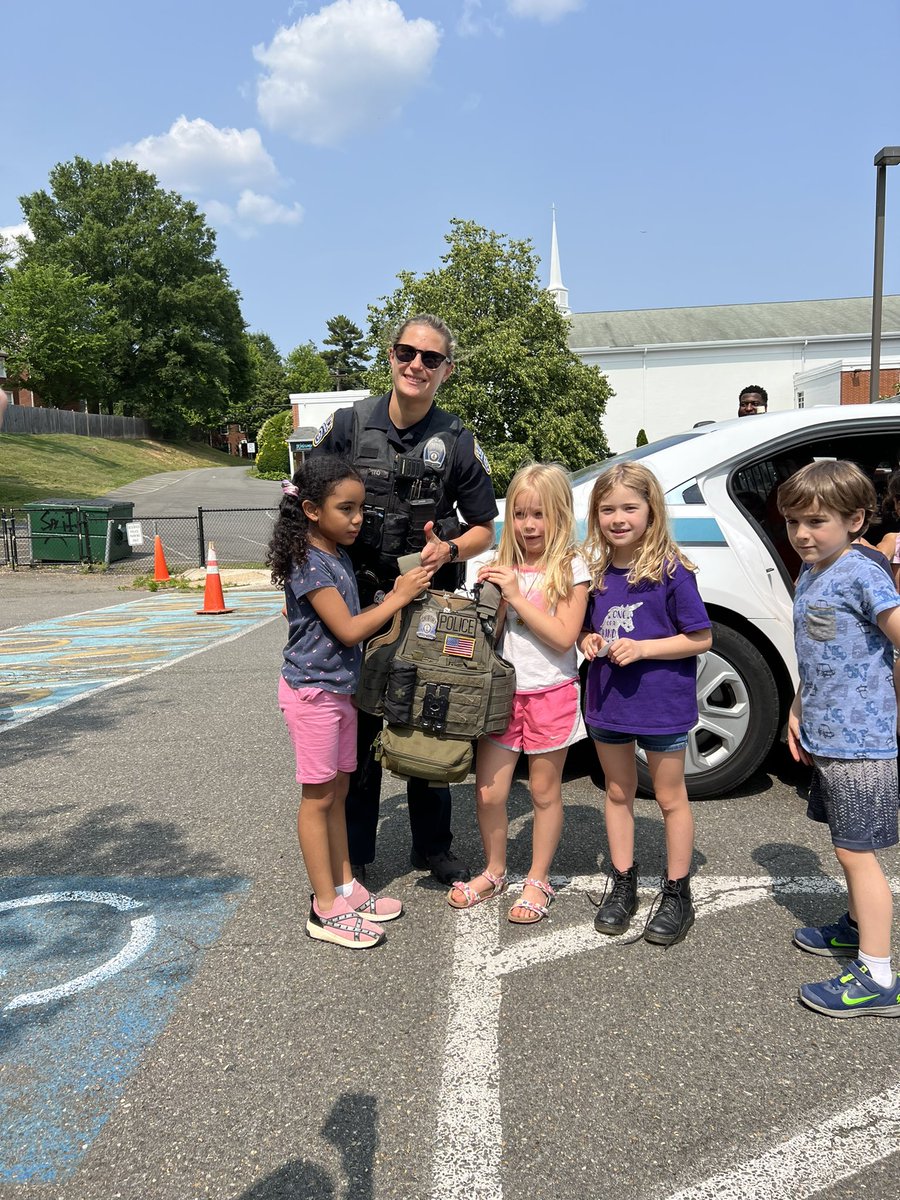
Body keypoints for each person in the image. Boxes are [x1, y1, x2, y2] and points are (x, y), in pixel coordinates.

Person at [310, 314, 497, 885]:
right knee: (361, 727)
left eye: (431, 358)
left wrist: (451, 549)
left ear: (447, 370)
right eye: (406, 352)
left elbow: (485, 527)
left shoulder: (458, 439)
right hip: (361, 598)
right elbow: (305, 500)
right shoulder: (348, 423)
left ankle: (432, 847)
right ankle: (358, 853)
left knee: (430, 717)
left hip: (427, 601)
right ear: (391, 357)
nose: (417, 364)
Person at [268, 455, 430, 949]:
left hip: (338, 692)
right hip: (313, 694)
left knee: (337, 794)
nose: (358, 518)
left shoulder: (333, 553)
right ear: (313, 510)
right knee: (318, 799)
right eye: (347, 509)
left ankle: (345, 888)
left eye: (360, 508)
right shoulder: (308, 560)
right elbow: (348, 628)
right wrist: (398, 596)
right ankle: (324, 907)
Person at [778, 459, 900, 1016]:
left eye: (816, 522)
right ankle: (855, 928)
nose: (802, 534)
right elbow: (817, 651)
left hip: (863, 742)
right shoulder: (812, 569)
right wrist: (799, 708)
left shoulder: (862, 572)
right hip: (829, 733)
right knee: (846, 845)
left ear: (855, 519)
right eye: (793, 522)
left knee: (857, 854)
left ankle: (877, 976)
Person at [446, 463, 590, 922]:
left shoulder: (572, 565)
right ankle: (495, 870)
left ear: (560, 515)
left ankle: (538, 880)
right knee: (489, 794)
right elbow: (480, 635)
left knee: (545, 793)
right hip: (501, 695)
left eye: (540, 515)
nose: (530, 525)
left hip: (552, 693)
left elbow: (565, 636)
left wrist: (518, 598)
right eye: (522, 514)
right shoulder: (499, 567)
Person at [579, 462, 712, 946]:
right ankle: (624, 881)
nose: (618, 518)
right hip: (608, 703)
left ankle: (678, 891)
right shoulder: (593, 573)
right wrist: (589, 640)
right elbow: (584, 629)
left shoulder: (672, 571)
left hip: (661, 705)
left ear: (651, 510)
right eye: (607, 508)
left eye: (630, 507)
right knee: (618, 792)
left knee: (670, 796)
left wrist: (644, 648)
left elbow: (700, 637)